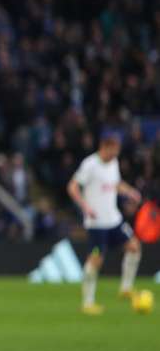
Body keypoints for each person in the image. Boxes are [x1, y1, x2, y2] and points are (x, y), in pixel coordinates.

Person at [67, 131, 142, 314]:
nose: (115, 155)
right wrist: (85, 207)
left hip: (113, 220)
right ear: (103, 147)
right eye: (112, 151)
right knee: (96, 260)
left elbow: (115, 183)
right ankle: (87, 302)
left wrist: (129, 191)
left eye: (117, 152)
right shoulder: (90, 165)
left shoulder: (113, 162)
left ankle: (125, 288)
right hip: (97, 223)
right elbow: (72, 186)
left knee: (134, 247)